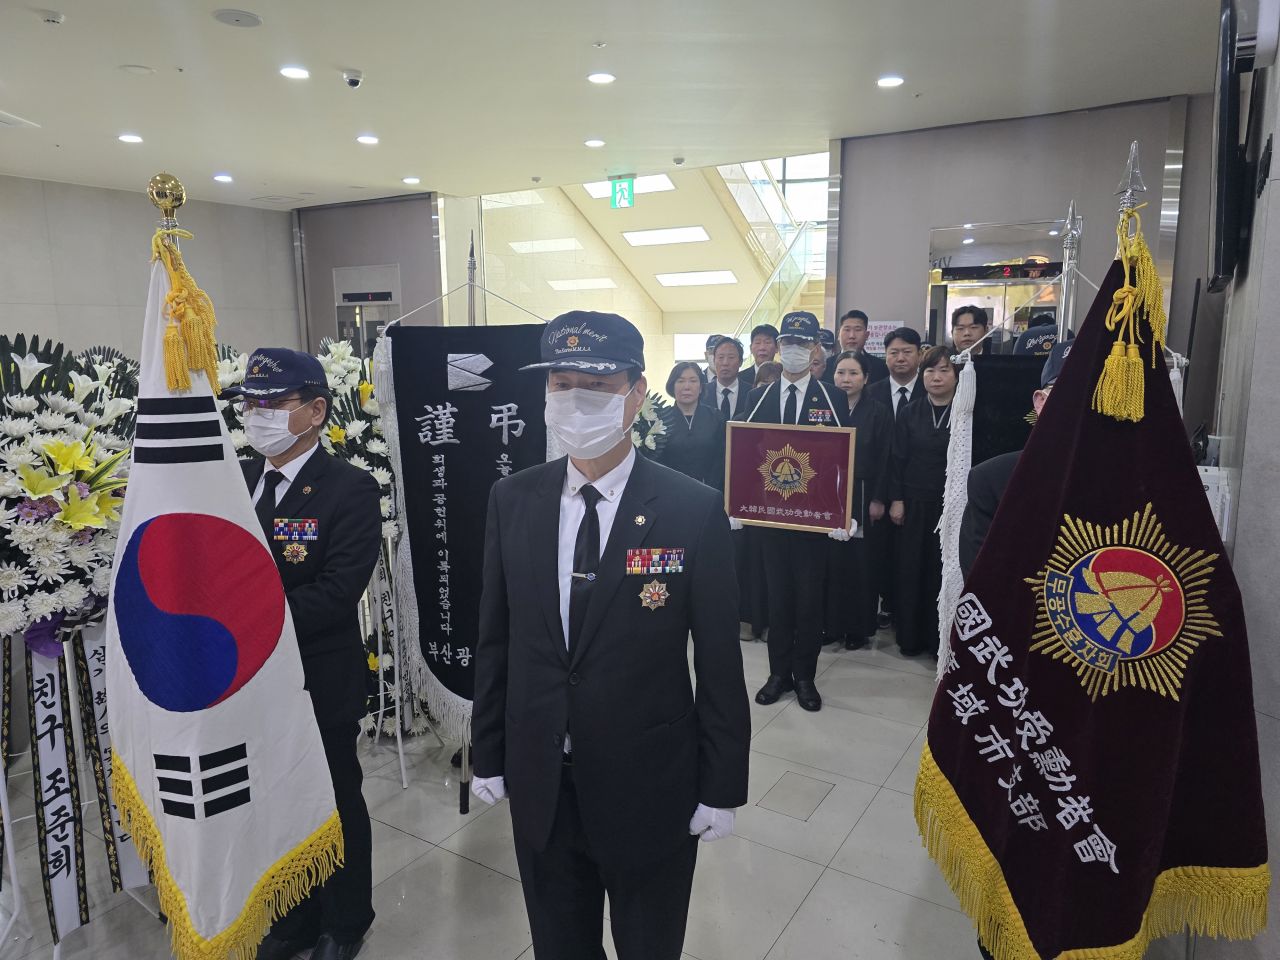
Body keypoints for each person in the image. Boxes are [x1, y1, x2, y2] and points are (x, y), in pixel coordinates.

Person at [471, 310, 751, 960]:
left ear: (635, 392)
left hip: (649, 784)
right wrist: (489, 752)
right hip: (543, 780)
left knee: (649, 944)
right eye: (561, 384)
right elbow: (497, 639)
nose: (576, 401)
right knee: (559, 944)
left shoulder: (691, 508)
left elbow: (718, 659)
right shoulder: (513, 499)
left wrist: (722, 785)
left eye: (595, 386)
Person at [226, 349, 381, 960]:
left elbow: (339, 591)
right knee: (273, 799)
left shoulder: (349, 488)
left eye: (273, 403)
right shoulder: (236, 478)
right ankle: (293, 916)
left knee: (332, 797)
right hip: (246, 680)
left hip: (318, 675)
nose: (256, 415)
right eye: (249, 403)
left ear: (316, 411)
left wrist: (244, 619)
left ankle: (345, 920)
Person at [742, 310, 847, 711]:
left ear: (815, 348)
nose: (793, 349)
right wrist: (737, 503)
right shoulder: (758, 397)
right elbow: (744, 453)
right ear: (778, 347)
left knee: (808, 600)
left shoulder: (833, 398)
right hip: (771, 517)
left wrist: (843, 511)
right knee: (778, 598)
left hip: (813, 520)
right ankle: (777, 674)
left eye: (802, 343)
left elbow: (843, 459)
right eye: (787, 342)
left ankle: (804, 676)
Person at [960, 341, 1070, 578]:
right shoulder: (991, 480)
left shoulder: (1130, 481)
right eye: (1068, 390)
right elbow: (979, 576)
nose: (1080, 403)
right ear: (1040, 402)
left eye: (1094, 392)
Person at [888, 345, 958, 658]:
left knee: (940, 571)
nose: (936, 377)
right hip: (913, 502)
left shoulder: (966, 412)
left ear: (956, 375)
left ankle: (939, 640)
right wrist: (896, 499)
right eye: (930, 370)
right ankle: (910, 638)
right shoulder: (909, 411)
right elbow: (897, 459)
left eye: (944, 370)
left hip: (951, 505)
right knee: (910, 569)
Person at [825, 351, 892, 649]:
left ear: (866, 378)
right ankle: (830, 625)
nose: (846, 379)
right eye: (840, 372)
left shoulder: (878, 412)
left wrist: (878, 498)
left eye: (853, 373)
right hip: (827, 493)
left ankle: (857, 628)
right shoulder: (824, 408)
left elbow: (886, 457)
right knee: (830, 562)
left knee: (859, 563)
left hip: (863, 493)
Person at [661, 361, 727, 488]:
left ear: (701, 387)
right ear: (672, 386)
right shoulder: (661, 418)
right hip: (669, 489)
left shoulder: (717, 418)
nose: (687, 387)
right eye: (680, 381)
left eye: (693, 381)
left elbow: (721, 460)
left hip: (709, 490)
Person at [867, 326, 925, 418]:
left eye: (907, 352)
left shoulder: (929, 390)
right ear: (886, 356)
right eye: (894, 353)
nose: (900, 359)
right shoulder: (870, 393)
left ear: (920, 355)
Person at [702, 336, 752, 419]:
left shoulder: (751, 393)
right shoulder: (702, 393)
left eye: (731, 357)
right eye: (721, 357)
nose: (725, 363)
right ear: (714, 360)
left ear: (740, 362)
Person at [836, 309, 890, 384]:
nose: (852, 336)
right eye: (847, 330)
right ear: (838, 335)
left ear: (867, 335)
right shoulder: (826, 365)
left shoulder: (881, 367)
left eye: (858, 330)